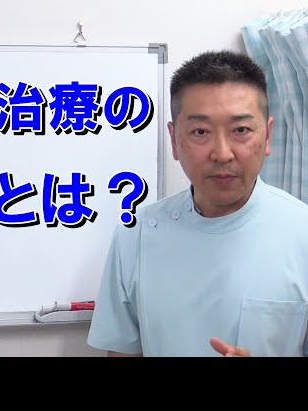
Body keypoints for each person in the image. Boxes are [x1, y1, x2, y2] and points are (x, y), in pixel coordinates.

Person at [87, 49, 308, 357]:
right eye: (200, 132)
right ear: (175, 140)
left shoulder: (301, 233)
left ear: (268, 136)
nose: (222, 153)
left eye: (241, 130)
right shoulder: (135, 235)